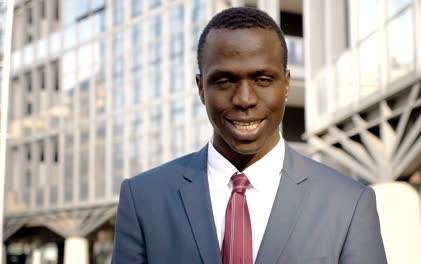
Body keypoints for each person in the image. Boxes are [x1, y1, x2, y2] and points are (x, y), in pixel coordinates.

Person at [112, 7, 387, 264]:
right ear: (201, 88)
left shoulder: (348, 204)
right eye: (224, 81)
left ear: (287, 84)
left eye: (263, 80)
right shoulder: (144, 200)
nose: (244, 99)